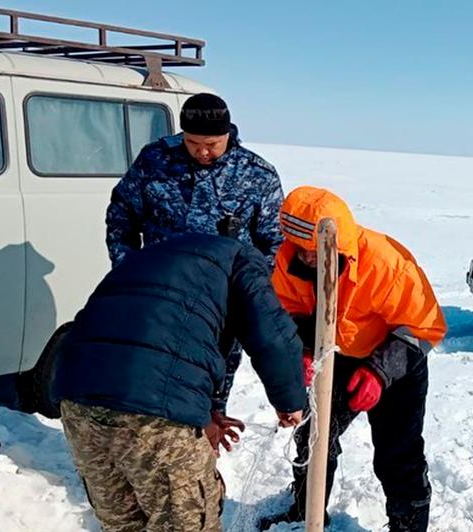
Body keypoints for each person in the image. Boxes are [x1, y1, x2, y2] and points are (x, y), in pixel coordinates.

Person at [54, 233, 306, 531]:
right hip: (154, 416)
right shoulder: (242, 260)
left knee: (123, 524)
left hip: (77, 400)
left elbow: (167, 333)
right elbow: (272, 335)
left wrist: (204, 411)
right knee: (185, 523)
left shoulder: (154, 257)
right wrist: (290, 402)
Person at [260, 186, 447, 531]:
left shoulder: (387, 262)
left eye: (313, 251)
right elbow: (287, 312)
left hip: (395, 361)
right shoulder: (289, 260)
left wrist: (380, 372)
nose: (307, 258)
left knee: (398, 454)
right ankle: (305, 512)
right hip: (331, 358)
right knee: (313, 438)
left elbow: (425, 327)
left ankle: (408, 527)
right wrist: (299, 352)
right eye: (301, 250)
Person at [105, 92, 286, 423]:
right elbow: (121, 217)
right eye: (192, 142)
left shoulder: (257, 174)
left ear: (228, 134)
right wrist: (128, 270)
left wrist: (248, 291)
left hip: (220, 308)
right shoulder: (154, 161)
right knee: (150, 382)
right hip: (159, 299)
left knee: (209, 393)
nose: (203, 152)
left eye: (212, 144)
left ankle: (203, 452)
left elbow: (273, 241)